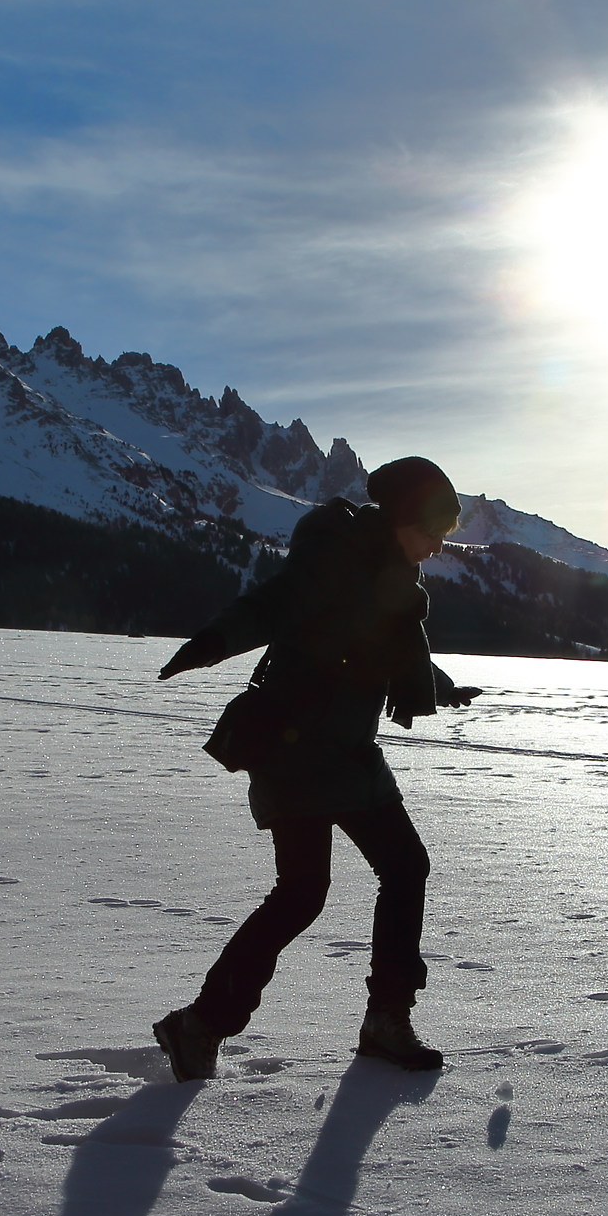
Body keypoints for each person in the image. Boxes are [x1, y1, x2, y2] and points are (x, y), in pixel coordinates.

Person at [150, 456, 480, 1080]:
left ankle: (381, 1019)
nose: (440, 546)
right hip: (295, 749)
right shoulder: (335, 558)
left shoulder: (396, 581)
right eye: (435, 531)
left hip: (349, 751)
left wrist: (441, 686)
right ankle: (201, 1025)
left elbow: (388, 652)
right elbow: (268, 605)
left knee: (394, 870)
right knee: (309, 892)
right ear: (405, 519)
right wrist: (210, 644)